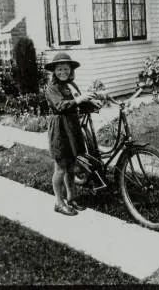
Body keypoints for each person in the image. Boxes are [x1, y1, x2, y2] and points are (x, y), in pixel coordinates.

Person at [44, 52, 100, 216]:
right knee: (61, 167)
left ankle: (71, 198)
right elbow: (61, 106)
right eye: (59, 69)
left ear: (70, 70)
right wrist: (79, 100)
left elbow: (78, 105)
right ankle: (58, 202)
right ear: (54, 71)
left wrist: (92, 104)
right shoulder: (51, 87)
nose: (63, 72)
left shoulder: (71, 85)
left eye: (66, 69)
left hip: (72, 127)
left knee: (71, 166)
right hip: (60, 128)